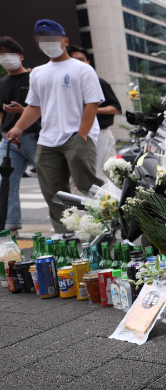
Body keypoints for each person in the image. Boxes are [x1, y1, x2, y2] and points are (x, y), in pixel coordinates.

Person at [7, 20, 104, 238]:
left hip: (77, 134)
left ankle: (112, 219)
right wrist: (18, 128)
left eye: (52, 38)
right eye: (42, 39)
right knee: (52, 189)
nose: (47, 43)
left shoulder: (83, 69)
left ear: (65, 41)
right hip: (47, 139)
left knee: (86, 183)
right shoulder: (38, 73)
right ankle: (65, 231)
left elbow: (93, 103)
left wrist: (83, 133)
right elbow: (35, 106)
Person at [0, 37, 42, 235]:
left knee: (51, 180)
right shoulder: (2, 83)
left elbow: (42, 109)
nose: (5, 59)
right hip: (8, 139)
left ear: (21, 56)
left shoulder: (35, 77)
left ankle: (64, 227)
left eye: (9, 54)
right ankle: (10, 227)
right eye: (1, 55)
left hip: (35, 137)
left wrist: (22, 111)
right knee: (5, 182)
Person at [66, 45, 122, 182]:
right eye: (73, 59)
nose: (78, 63)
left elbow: (116, 108)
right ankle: (81, 203)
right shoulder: (64, 84)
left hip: (101, 133)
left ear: (88, 63)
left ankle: (121, 201)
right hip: (74, 135)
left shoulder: (98, 82)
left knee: (111, 172)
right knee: (76, 177)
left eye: (81, 59)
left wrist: (93, 109)